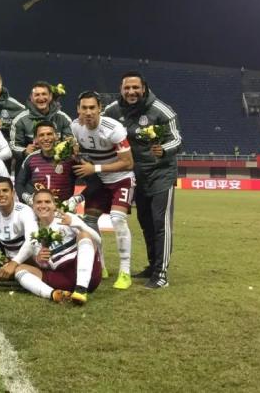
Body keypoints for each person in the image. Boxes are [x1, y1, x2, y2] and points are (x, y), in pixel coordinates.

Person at [104, 71, 182, 289]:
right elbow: (99, 127)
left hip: (160, 174)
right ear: (121, 90)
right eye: (127, 88)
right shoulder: (112, 111)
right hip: (135, 176)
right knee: (145, 223)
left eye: (135, 87)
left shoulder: (161, 110)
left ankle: (161, 274)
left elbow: (177, 139)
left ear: (144, 88)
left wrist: (163, 149)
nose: (131, 92)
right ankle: (152, 265)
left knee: (160, 224)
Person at [71, 91, 135, 290]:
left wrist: (95, 168)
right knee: (89, 221)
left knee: (117, 219)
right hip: (99, 182)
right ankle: (100, 266)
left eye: (92, 107)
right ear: (78, 109)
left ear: (100, 108)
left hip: (121, 179)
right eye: (84, 108)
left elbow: (128, 162)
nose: (88, 112)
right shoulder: (75, 127)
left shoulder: (113, 129)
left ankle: (125, 272)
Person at [21, 188, 103, 304]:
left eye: (47, 202)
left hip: (86, 275)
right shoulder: (33, 229)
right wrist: (40, 260)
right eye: (39, 202)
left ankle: (81, 289)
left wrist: (76, 224)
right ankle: (54, 294)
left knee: (84, 235)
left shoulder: (65, 217)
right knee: (20, 269)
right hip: (62, 277)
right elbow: (45, 266)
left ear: (54, 205)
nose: (43, 205)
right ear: (33, 206)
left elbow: (98, 240)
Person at [15, 121, 80, 205]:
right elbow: (19, 184)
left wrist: (76, 200)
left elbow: (91, 181)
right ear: (35, 139)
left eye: (49, 134)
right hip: (38, 209)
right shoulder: (31, 158)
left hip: (64, 209)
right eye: (41, 135)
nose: (46, 138)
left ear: (56, 136)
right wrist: (28, 198)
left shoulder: (70, 158)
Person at [9, 81, 73, 161]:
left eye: (44, 94)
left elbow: (70, 143)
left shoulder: (63, 118)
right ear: (31, 98)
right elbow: (13, 147)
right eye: (37, 95)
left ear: (50, 96)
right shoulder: (20, 120)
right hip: (31, 164)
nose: (41, 98)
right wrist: (24, 151)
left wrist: (65, 147)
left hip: (57, 163)